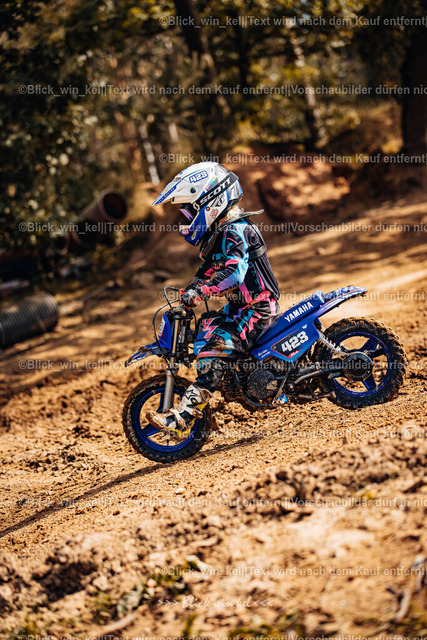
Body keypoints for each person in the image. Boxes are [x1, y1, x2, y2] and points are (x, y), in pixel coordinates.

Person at [146, 162, 280, 439]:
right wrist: (192, 289)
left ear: (210, 202)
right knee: (206, 326)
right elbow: (207, 271)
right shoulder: (222, 234)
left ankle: (183, 419)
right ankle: (226, 392)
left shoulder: (235, 231)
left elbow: (234, 273)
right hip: (241, 307)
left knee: (214, 348)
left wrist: (202, 292)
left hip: (256, 308)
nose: (187, 218)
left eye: (190, 211)